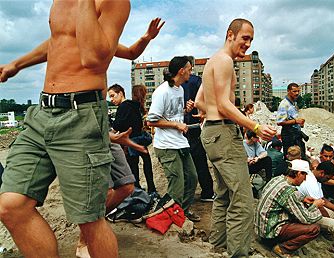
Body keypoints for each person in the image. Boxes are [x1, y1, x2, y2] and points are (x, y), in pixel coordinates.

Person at [0, 1, 131, 257]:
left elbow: (93, 58)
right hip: (41, 113)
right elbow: (59, 41)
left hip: (80, 116)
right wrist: (17, 64)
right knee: (11, 205)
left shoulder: (114, 2)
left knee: (89, 218)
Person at [194, 18, 276, 257]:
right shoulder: (225, 61)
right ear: (231, 34)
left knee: (223, 194)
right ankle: (237, 253)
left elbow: (201, 100)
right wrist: (256, 126)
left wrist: (209, 112)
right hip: (222, 132)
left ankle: (217, 246)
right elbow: (223, 103)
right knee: (242, 201)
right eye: (245, 38)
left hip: (211, 132)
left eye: (251, 40)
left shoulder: (213, 60)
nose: (248, 44)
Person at [146, 56, 200, 222]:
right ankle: (170, 220)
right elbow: (151, 120)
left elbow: (173, 115)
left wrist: (186, 110)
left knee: (192, 178)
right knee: (177, 185)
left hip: (180, 142)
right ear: (181, 71)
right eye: (189, 69)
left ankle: (180, 213)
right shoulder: (162, 91)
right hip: (166, 145)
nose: (191, 73)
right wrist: (177, 126)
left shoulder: (180, 89)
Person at [255, 159, 323, 258]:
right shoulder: (288, 191)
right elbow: (306, 219)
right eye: (304, 175)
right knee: (314, 229)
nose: (304, 179)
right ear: (299, 173)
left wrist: (303, 199)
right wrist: (315, 206)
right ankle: (282, 249)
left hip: (262, 227)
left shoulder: (277, 179)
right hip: (269, 232)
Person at [108, 84, 157, 195]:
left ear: (120, 93)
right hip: (141, 138)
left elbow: (118, 126)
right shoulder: (134, 105)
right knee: (147, 164)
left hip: (130, 141)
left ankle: (137, 190)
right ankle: (152, 188)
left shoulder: (123, 107)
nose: (111, 99)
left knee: (133, 167)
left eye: (112, 96)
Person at [182, 70, 215, 202]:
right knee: (200, 160)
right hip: (194, 125)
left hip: (180, 127)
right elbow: (207, 97)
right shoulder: (196, 81)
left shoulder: (172, 84)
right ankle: (207, 191)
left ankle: (185, 192)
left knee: (184, 163)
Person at [276, 83, 307, 160]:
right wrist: (296, 121)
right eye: (294, 91)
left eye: (298, 91)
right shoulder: (284, 104)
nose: (297, 93)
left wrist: (299, 123)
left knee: (301, 155)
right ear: (288, 91)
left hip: (296, 134)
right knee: (290, 157)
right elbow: (280, 122)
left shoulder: (294, 103)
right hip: (289, 135)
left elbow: (292, 118)